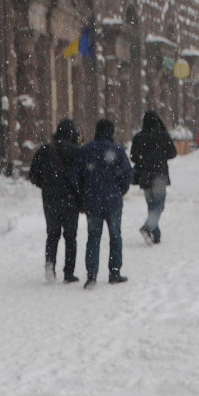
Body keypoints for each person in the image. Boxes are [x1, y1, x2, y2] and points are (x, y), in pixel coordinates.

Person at [74, 117, 133, 287]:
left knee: (93, 237)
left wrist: (83, 193)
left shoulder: (86, 151)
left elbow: (75, 175)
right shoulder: (117, 151)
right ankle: (114, 272)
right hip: (113, 200)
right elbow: (127, 174)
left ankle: (91, 275)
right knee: (115, 236)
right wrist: (119, 191)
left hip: (92, 201)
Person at [27, 118, 83, 283]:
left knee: (52, 234)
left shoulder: (44, 150)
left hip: (50, 198)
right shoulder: (76, 151)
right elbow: (81, 176)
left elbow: (33, 175)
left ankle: (50, 263)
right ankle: (69, 272)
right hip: (70, 198)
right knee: (70, 236)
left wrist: (45, 185)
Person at [129, 109, 177, 246]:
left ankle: (156, 235)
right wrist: (160, 156)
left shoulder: (139, 137)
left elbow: (133, 156)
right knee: (159, 205)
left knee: (151, 205)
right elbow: (172, 153)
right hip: (159, 175)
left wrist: (144, 159)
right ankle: (147, 227)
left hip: (144, 176)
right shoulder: (162, 136)